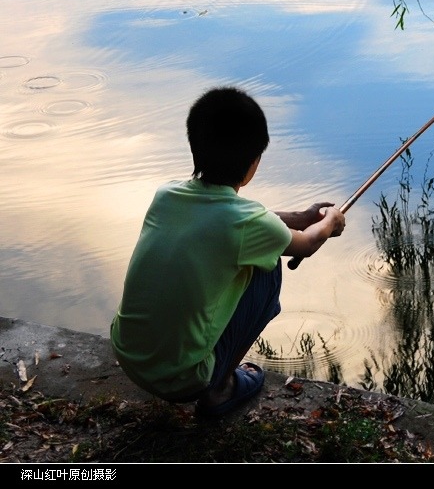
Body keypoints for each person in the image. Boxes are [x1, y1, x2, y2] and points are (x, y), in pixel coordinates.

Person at [110, 86, 345, 418]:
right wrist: (330, 222)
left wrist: (300, 217)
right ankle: (219, 389)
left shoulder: (166, 196)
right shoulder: (247, 224)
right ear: (252, 164)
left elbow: (236, 222)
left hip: (129, 357)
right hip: (181, 381)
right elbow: (306, 243)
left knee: (262, 247)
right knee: (268, 268)